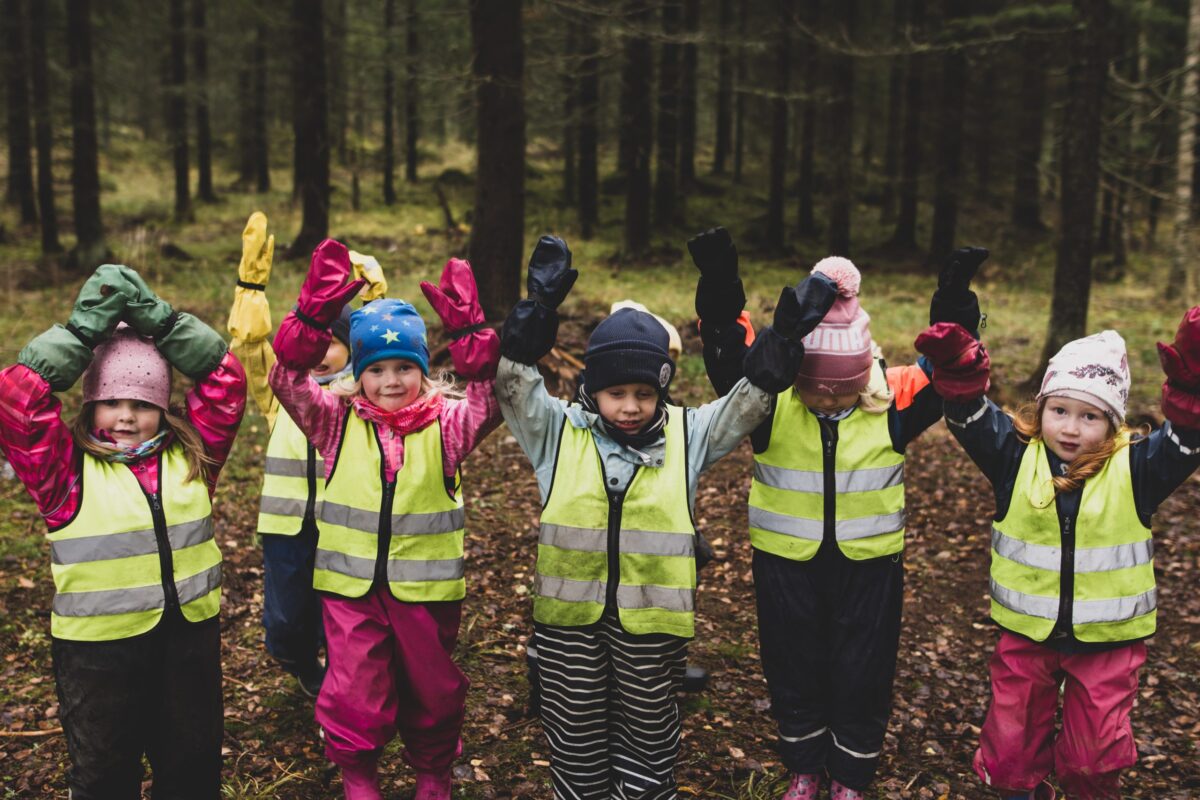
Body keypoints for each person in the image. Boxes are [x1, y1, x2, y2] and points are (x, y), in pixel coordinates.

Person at [496, 234, 834, 799]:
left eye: (643, 393)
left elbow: (747, 403)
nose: (630, 407)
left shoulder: (687, 434)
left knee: (648, 733)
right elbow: (514, 385)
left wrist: (782, 340)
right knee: (574, 732)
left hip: (652, 631)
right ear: (590, 390)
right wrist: (537, 312)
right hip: (567, 626)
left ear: (662, 390)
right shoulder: (556, 432)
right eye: (615, 393)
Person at [689, 227, 987, 800]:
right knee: (793, 665)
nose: (828, 400)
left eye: (841, 390)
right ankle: (804, 765)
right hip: (785, 563)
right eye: (818, 391)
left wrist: (954, 303)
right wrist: (721, 284)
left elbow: (952, 363)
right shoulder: (773, 397)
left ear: (864, 373)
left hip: (869, 567)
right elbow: (731, 359)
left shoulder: (891, 398)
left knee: (862, 670)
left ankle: (849, 774)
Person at [914, 311, 1200, 800]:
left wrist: (1190, 398)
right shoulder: (1014, 457)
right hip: (1028, 632)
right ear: (1041, 408)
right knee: (1009, 753)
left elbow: (1185, 444)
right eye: (1059, 411)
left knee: (1093, 761)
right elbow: (970, 420)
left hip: (1108, 639)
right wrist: (960, 376)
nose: (1070, 428)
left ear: (1113, 422)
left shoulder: (1136, 469)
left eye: (1090, 416)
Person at [0, 264, 246, 799]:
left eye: (143, 403)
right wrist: (82, 332)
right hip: (97, 655)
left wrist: (163, 322)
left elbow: (227, 379)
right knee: (104, 775)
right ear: (90, 405)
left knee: (192, 768)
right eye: (112, 401)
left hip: (187, 643)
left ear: (163, 407)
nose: (127, 416)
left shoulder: (193, 456)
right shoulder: (63, 474)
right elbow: (17, 399)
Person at [267, 239, 500, 800]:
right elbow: (286, 382)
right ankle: (359, 777)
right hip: (350, 591)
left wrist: (472, 341)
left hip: (425, 591)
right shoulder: (335, 423)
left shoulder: (447, 427)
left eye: (404, 368)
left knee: (432, 688)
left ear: (424, 369)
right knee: (354, 690)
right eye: (377, 370)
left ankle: (432, 775)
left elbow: (489, 403)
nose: (391, 381)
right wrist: (311, 319)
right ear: (357, 373)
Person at [228, 212, 387, 695]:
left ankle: (340, 683)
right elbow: (250, 348)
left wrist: (374, 301)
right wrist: (249, 289)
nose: (324, 352)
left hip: (348, 522)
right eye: (319, 341)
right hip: (286, 526)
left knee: (345, 612)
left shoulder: (364, 391)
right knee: (286, 622)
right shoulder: (282, 391)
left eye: (336, 343)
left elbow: (387, 353)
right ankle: (299, 660)